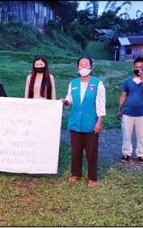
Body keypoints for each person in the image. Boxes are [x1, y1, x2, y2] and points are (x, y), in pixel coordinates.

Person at [61, 56, 106, 188]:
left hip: (90, 123)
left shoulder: (97, 83)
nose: (83, 67)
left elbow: (100, 104)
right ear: (78, 68)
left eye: (86, 65)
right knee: (76, 150)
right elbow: (69, 98)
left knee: (91, 152)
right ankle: (76, 173)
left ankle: (92, 177)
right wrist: (65, 102)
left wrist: (99, 122)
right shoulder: (73, 83)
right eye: (81, 65)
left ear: (91, 67)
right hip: (75, 122)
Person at [118, 57, 143, 163]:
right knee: (126, 135)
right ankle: (126, 153)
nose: (138, 69)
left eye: (141, 67)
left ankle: (140, 154)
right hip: (128, 113)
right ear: (133, 68)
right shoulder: (127, 81)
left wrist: (142, 78)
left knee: (141, 135)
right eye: (136, 67)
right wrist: (119, 110)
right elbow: (123, 96)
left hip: (142, 114)